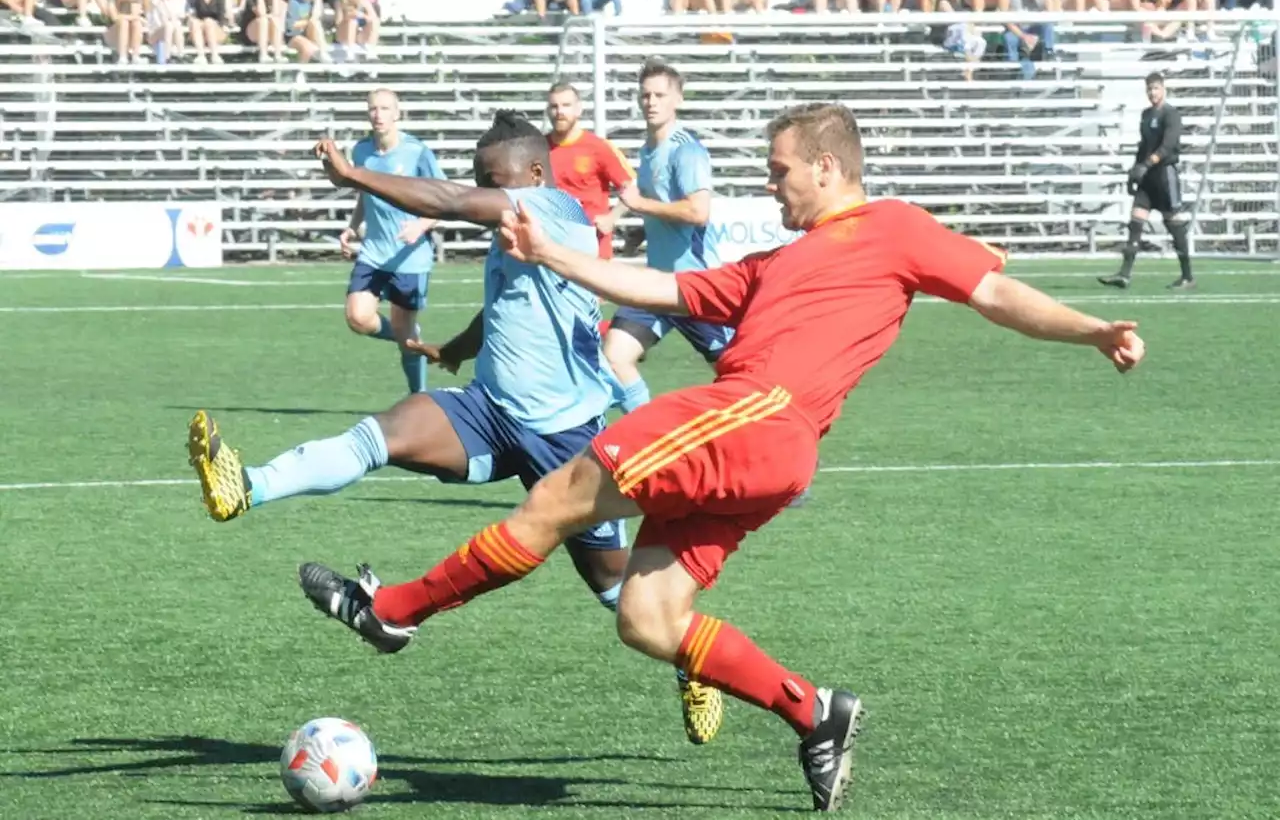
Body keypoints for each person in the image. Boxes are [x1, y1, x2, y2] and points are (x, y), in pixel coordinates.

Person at [295, 102, 1146, 811]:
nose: (771, 183)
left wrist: (1092, 329)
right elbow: (663, 290)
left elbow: (991, 288)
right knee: (647, 617)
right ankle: (816, 712)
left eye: (780, 169)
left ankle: (393, 611)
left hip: (751, 414)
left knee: (555, 498)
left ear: (827, 166)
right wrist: (552, 253)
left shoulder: (892, 227)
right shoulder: (777, 260)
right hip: (766, 446)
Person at [187, 110, 720, 744]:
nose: (484, 190)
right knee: (382, 431)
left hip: (569, 438)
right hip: (489, 410)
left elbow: (449, 200)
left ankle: (697, 665)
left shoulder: (558, 213)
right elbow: (506, 304)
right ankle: (244, 485)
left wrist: (355, 175)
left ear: (534, 173)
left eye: (493, 180)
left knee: (614, 585)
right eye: (479, 178)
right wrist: (457, 349)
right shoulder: (519, 227)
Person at [608, 60, 731, 416]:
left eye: (660, 95)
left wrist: (639, 204)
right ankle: (647, 440)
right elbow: (661, 208)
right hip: (658, 285)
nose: (651, 102)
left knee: (738, 374)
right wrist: (636, 233)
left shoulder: (686, 150)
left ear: (677, 99)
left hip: (695, 287)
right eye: (645, 95)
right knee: (614, 356)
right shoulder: (648, 151)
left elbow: (698, 212)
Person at [341, 89, 447, 393]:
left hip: (409, 257)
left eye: (385, 108)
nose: (378, 114)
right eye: (373, 108)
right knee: (357, 317)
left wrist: (421, 225)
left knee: (405, 335)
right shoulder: (361, 151)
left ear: (397, 114)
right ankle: (407, 337)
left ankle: (419, 396)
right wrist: (352, 226)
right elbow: (365, 192)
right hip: (374, 253)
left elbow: (444, 199)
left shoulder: (417, 152)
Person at [1098, 72, 1194, 290]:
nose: (1152, 93)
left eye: (1156, 88)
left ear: (1163, 89)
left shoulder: (1171, 114)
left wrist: (1147, 164)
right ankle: (1124, 275)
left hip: (1164, 176)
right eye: (1149, 89)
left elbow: (1168, 146)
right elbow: (1144, 145)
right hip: (1148, 177)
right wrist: (1135, 170)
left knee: (1174, 224)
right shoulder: (1146, 114)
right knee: (1136, 222)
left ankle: (1187, 276)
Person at [545, 79, 636, 260]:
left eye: (566, 105)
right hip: (553, 248)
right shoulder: (538, 148)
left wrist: (612, 217)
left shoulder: (599, 147)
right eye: (554, 106)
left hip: (593, 251)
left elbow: (632, 186)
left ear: (579, 109)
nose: (560, 112)